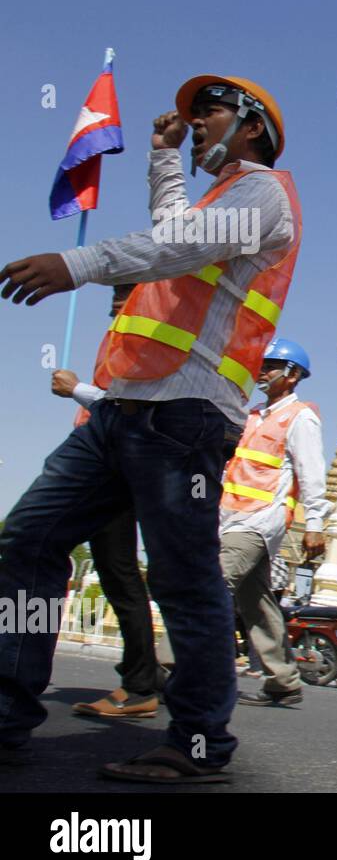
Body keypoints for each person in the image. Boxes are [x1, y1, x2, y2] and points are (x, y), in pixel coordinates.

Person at [0, 74, 301, 782]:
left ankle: (198, 742)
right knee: (29, 541)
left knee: (185, 577)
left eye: (211, 113)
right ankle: (9, 712)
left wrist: (74, 264)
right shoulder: (217, 197)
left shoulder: (265, 195)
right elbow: (175, 230)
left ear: (251, 127)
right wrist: (162, 158)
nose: (195, 122)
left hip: (185, 418)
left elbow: (174, 248)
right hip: (121, 411)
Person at [49, 285, 173, 718]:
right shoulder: (116, 340)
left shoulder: (149, 340)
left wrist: (77, 389)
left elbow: (132, 405)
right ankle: (144, 678)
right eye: (115, 296)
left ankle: (142, 683)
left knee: (109, 571)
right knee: (114, 573)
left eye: (127, 294)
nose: (117, 303)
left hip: (116, 469)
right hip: (95, 461)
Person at [219, 338, 329, 707]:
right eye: (261, 365)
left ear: (293, 375)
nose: (261, 372)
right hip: (229, 518)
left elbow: (312, 474)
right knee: (257, 601)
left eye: (271, 365)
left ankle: (166, 670)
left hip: (259, 522)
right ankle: (283, 679)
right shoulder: (252, 415)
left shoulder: (300, 417)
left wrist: (315, 523)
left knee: (209, 586)